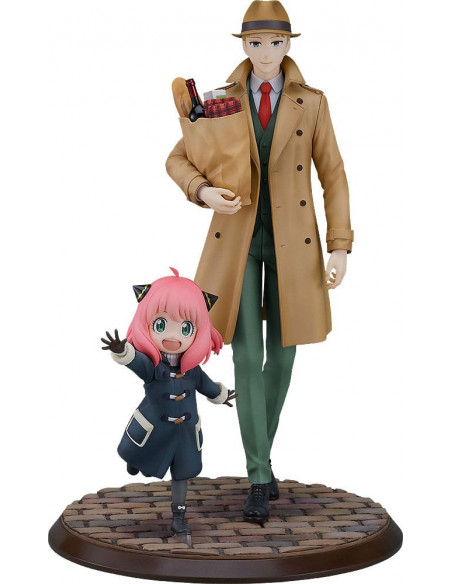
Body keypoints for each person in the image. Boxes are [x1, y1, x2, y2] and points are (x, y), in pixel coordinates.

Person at [166, 1, 353, 523]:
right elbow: (178, 157)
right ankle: (258, 475)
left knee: (284, 356)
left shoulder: (311, 103)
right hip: (239, 240)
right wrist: (203, 191)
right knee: (246, 357)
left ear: (289, 44)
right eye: (256, 43)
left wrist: (339, 245)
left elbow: (333, 174)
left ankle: (259, 457)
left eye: (275, 42)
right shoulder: (220, 101)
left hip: (296, 242)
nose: (266, 53)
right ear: (243, 45)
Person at [101, 268, 236, 536]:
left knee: (181, 473)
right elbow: (136, 362)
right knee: (139, 453)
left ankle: (179, 517)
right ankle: (136, 461)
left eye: (186, 328)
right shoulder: (152, 366)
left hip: (184, 433)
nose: (173, 337)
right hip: (155, 427)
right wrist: (123, 351)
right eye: (161, 325)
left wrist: (221, 395)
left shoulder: (192, 370)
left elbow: (207, 385)